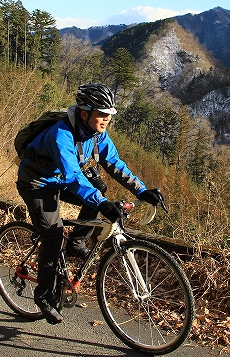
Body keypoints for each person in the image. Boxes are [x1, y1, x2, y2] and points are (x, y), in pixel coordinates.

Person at [16, 83, 164, 324]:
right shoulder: (60, 134)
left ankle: (76, 242)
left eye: (110, 115)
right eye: (102, 114)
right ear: (85, 114)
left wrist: (142, 190)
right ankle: (43, 296)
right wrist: (102, 203)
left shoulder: (97, 134)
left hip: (62, 180)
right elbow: (74, 177)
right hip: (37, 183)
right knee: (53, 233)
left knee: (99, 191)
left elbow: (114, 163)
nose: (107, 119)